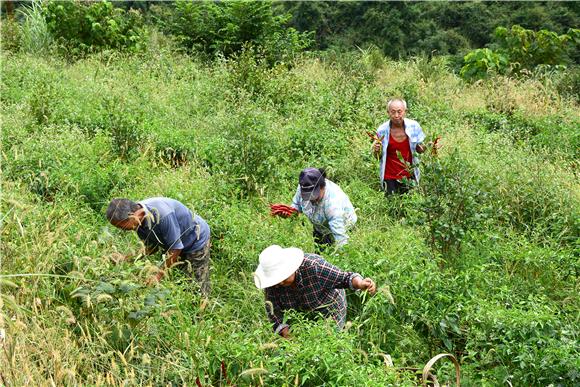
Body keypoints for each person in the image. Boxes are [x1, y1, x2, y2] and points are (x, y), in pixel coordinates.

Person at [254, 245, 376, 338]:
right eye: (276, 280)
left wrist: (361, 283)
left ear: (292, 267)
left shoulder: (314, 266)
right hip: (302, 311)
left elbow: (345, 278)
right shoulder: (272, 285)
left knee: (331, 339)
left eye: (282, 278)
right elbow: (274, 314)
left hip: (330, 303)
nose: (280, 283)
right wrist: (289, 337)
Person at [105, 197, 211, 295]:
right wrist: (126, 258)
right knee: (180, 278)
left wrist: (158, 276)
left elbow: (176, 248)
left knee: (196, 285)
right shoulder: (137, 222)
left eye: (121, 226)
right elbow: (152, 247)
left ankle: (202, 309)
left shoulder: (163, 215)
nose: (121, 230)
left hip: (195, 238)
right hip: (176, 243)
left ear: (133, 215)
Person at [270, 168, 357, 249]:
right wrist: (289, 214)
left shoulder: (333, 205)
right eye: (308, 197)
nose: (312, 201)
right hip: (320, 227)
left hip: (343, 227)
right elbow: (296, 206)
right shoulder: (304, 186)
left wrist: (341, 256)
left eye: (315, 196)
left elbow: (341, 240)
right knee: (320, 255)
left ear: (323, 187)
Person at [372, 99, 428, 195]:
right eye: (393, 112)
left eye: (399, 111)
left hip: (409, 175)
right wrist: (376, 150)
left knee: (411, 205)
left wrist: (425, 147)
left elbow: (420, 149)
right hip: (389, 177)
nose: (396, 115)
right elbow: (378, 156)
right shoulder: (382, 130)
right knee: (392, 205)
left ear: (405, 111)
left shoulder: (414, 126)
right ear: (388, 112)